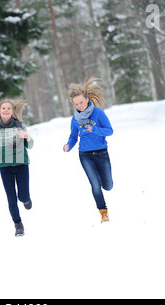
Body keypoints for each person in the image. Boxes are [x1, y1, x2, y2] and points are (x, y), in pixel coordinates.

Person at [63, 77, 114, 223]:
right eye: (76, 104)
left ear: (87, 99)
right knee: (95, 185)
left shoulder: (98, 113)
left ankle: (104, 180)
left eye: (81, 102)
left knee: (108, 186)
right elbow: (73, 137)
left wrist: (95, 129)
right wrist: (68, 146)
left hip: (101, 153)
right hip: (85, 155)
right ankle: (103, 212)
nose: (79, 106)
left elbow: (110, 131)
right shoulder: (75, 119)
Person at [0, 98, 34, 237]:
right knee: (11, 199)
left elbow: (30, 146)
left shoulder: (20, 126)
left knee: (22, 197)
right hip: (5, 168)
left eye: (8, 108)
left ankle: (26, 199)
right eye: (3, 108)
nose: (6, 110)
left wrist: (27, 137)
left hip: (22, 164)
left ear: (12, 112)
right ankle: (18, 225)